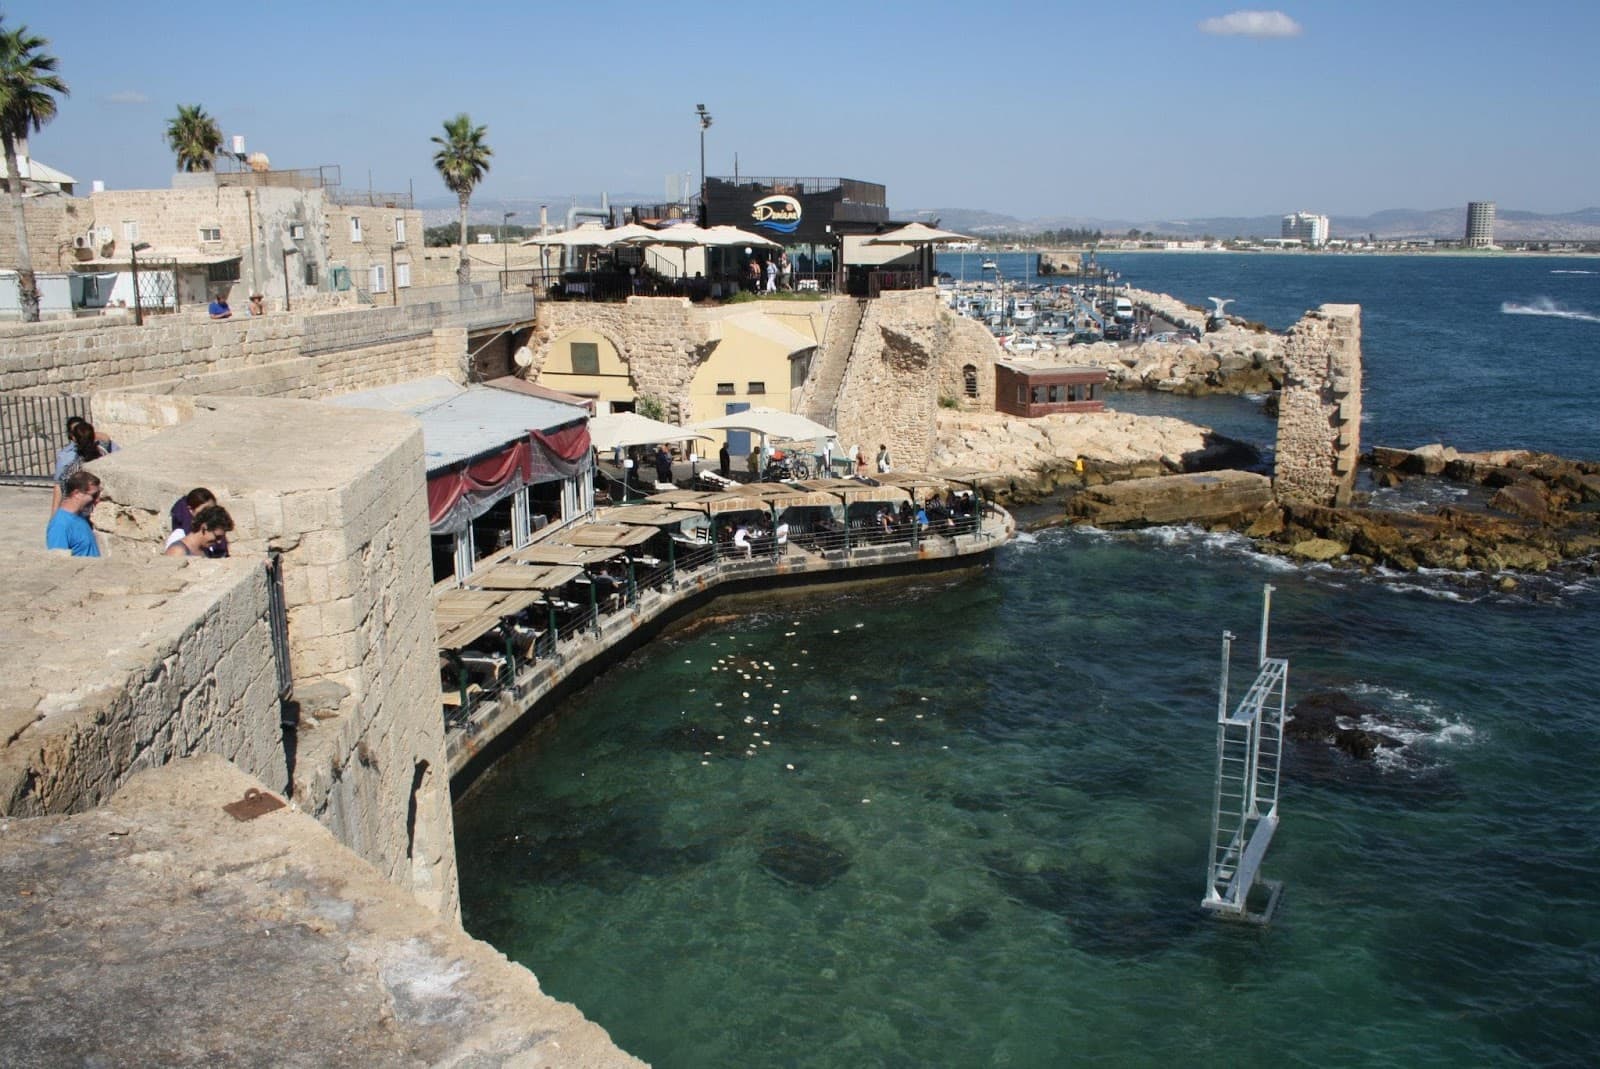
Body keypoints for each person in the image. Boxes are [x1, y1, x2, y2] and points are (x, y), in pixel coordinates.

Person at [52, 418, 118, 512]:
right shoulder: (103, 451)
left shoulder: (70, 465)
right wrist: (87, 433)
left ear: (73, 437)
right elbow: (105, 437)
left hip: (82, 512)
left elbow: (60, 487)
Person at [46, 470, 103, 557]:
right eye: (94, 495)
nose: (97, 500)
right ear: (76, 493)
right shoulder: (60, 525)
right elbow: (58, 561)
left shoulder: (80, 516)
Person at [168, 487, 229, 557]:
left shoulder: (210, 539)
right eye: (205, 509)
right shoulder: (178, 538)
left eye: (213, 509)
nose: (210, 513)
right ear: (191, 510)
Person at [165, 504, 234, 557]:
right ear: (204, 528)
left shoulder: (205, 550)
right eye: (217, 537)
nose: (219, 542)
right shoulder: (178, 552)